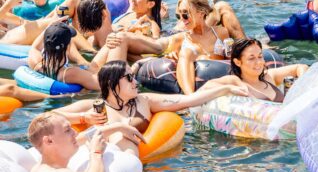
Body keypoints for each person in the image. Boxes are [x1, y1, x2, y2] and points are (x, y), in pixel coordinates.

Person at [53, 60, 247, 154]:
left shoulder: (143, 101)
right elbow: (48, 119)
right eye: (129, 78)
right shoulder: (93, 106)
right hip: (101, 158)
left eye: (134, 77)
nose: (135, 82)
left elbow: (187, 101)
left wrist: (225, 88)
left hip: (133, 166)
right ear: (112, 83)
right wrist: (83, 119)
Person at [166, 0, 246, 95]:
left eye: (185, 14)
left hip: (221, 83)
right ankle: (191, 99)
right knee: (186, 53)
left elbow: (229, 60)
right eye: (178, 15)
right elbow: (173, 66)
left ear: (201, 13)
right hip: (198, 89)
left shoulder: (221, 33)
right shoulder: (179, 40)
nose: (182, 19)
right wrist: (171, 55)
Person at [27, 112, 108, 172]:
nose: (76, 133)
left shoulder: (44, 166)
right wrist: (96, 152)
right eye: (67, 130)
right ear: (49, 141)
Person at [28, 22, 121, 91]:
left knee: (91, 66)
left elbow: (34, 48)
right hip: (99, 81)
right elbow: (105, 85)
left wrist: (51, 28)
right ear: (68, 47)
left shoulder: (37, 63)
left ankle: (106, 45)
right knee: (94, 67)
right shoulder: (71, 73)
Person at [226, 38, 307, 102]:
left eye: (260, 56)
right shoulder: (234, 82)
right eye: (251, 58)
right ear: (237, 62)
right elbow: (212, 87)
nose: (258, 62)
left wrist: (302, 86)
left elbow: (300, 67)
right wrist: (228, 89)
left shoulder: (268, 76)